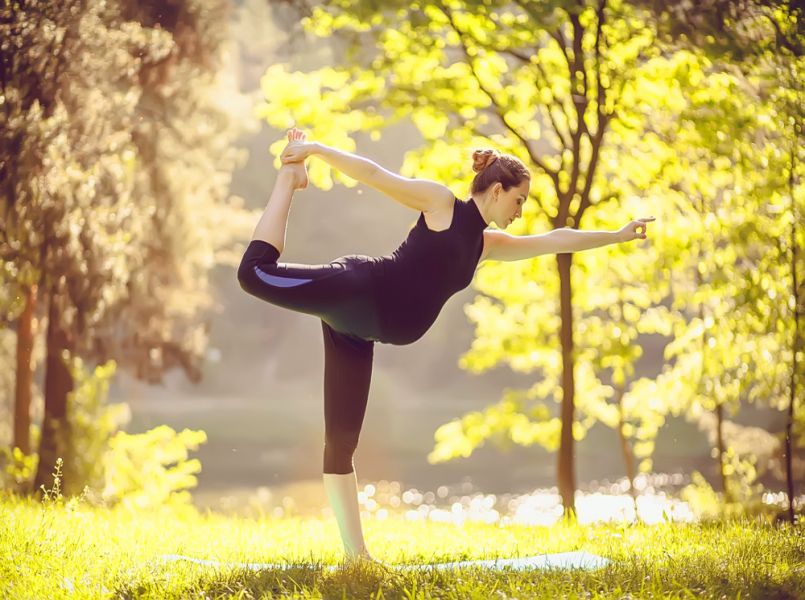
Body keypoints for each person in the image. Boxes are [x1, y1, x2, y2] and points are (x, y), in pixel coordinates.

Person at [237, 127, 654, 566]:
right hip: (357, 291)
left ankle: (356, 558)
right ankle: (290, 181)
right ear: (497, 190)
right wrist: (317, 150)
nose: (520, 211)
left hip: (359, 332)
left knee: (341, 443)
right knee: (254, 274)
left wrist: (617, 235)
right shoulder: (441, 206)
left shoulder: (484, 246)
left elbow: (553, 241)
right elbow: (375, 174)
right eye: (519, 200)